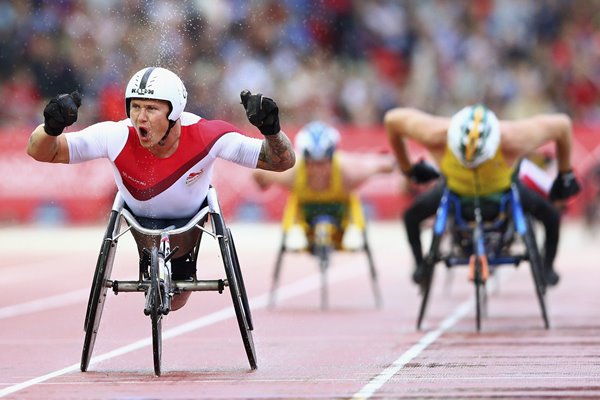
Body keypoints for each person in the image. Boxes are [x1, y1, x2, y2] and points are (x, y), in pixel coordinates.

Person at [27, 66, 295, 310]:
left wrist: (271, 130)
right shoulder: (115, 135)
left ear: (174, 111)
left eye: (152, 109)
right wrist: (51, 128)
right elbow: (41, 151)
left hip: (191, 224)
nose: (140, 118)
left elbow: (282, 161)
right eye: (135, 107)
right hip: (138, 221)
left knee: (177, 301)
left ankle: (179, 268)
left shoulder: (207, 135)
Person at [384, 104, 581, 287]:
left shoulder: (512, 138)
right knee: (410, 216)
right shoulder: (437, 134)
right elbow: (562, 125)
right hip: (457, 192)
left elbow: (563, 125)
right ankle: (421, 266)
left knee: (553, 216)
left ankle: (547, 267)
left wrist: (409, 169)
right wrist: (565, 174)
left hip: (498, 192)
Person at [252, 120, 396, 252]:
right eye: (312, 164)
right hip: (306, 215)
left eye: (322, 163)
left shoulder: (348, 172)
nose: (317, 170)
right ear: (304, 161)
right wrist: (262, 181)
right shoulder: (292, 174)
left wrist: (390, 163)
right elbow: (259, 174)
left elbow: (376, 164)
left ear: (332, 159)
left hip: (340, 214)